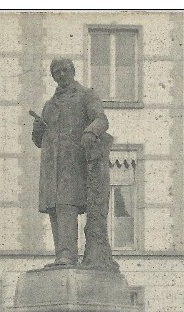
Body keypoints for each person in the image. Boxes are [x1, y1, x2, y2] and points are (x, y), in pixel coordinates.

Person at [32, 58, 117, 270]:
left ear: (72, 71)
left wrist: (90, 131)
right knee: (54, 208)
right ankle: (61, 253)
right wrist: (37, 128)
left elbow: (101, 119)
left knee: (66, 205)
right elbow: (38, 141)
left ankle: (68, 255)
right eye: (56, 72)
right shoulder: (49, 105)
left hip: (74, 164)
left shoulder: (86, 95)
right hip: (52, 167)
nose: (61, 75)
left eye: (64, 70)